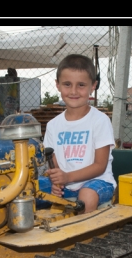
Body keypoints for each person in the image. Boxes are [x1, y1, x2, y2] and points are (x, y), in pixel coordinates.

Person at [41, 54, 117, 214]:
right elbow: (53, 163)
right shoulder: (53, 125)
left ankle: (84, 237)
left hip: (97, 182)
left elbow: (100, 166)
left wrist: (67, 177)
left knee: (86, 197)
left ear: (93, 86)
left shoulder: (100, 121)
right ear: (58, 85)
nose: (74, 91)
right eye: (67, 84)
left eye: (81, 85)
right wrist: (57, 182)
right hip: (66, 184)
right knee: (25, 188)